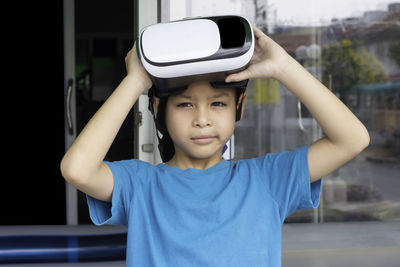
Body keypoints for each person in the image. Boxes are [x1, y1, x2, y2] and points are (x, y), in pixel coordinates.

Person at [60, 26, 370, 266]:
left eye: (218, 103)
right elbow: (77, 169)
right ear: (158, 109)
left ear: (240, 106)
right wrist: (136, 81)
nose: (203, 119)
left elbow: (352, 139)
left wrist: (283, 67)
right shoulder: (141, 185)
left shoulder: (267, 180)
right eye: (184, 105)